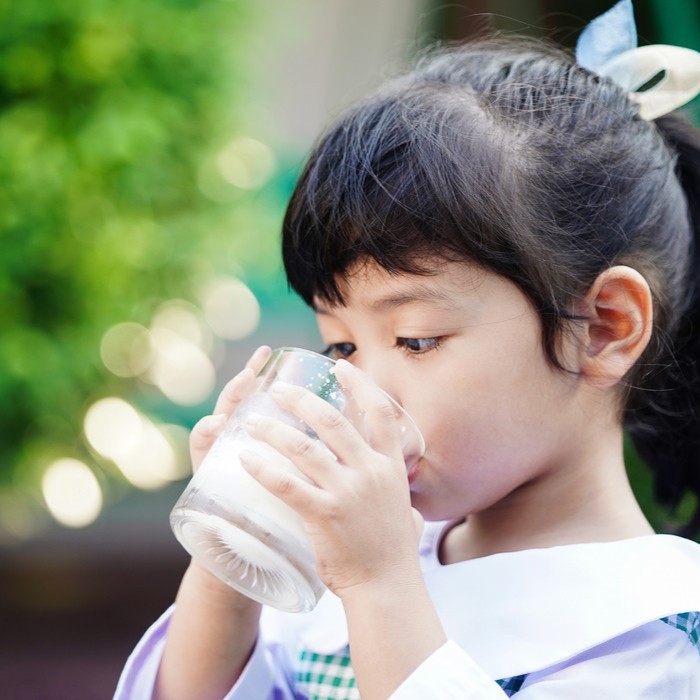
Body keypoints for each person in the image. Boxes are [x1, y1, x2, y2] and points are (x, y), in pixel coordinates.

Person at [115, 1, 700, 697]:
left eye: (416, 339)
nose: (364, 391)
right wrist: (238, 546)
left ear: (603, 327)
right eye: (341, 346)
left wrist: (377, 582)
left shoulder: (650, 628)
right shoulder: (363, 550)